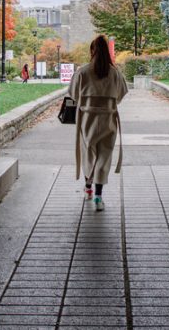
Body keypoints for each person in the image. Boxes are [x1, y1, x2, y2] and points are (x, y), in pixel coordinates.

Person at [68, 35, 128, 211]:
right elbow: (120, 95)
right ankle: (98, 197)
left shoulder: (83, 72)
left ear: (92, 51)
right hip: (108, 120)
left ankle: (88, 187)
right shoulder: (115, 73)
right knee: (104, 157)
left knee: (89, 154)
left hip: (87, 120)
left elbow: (73, 94)